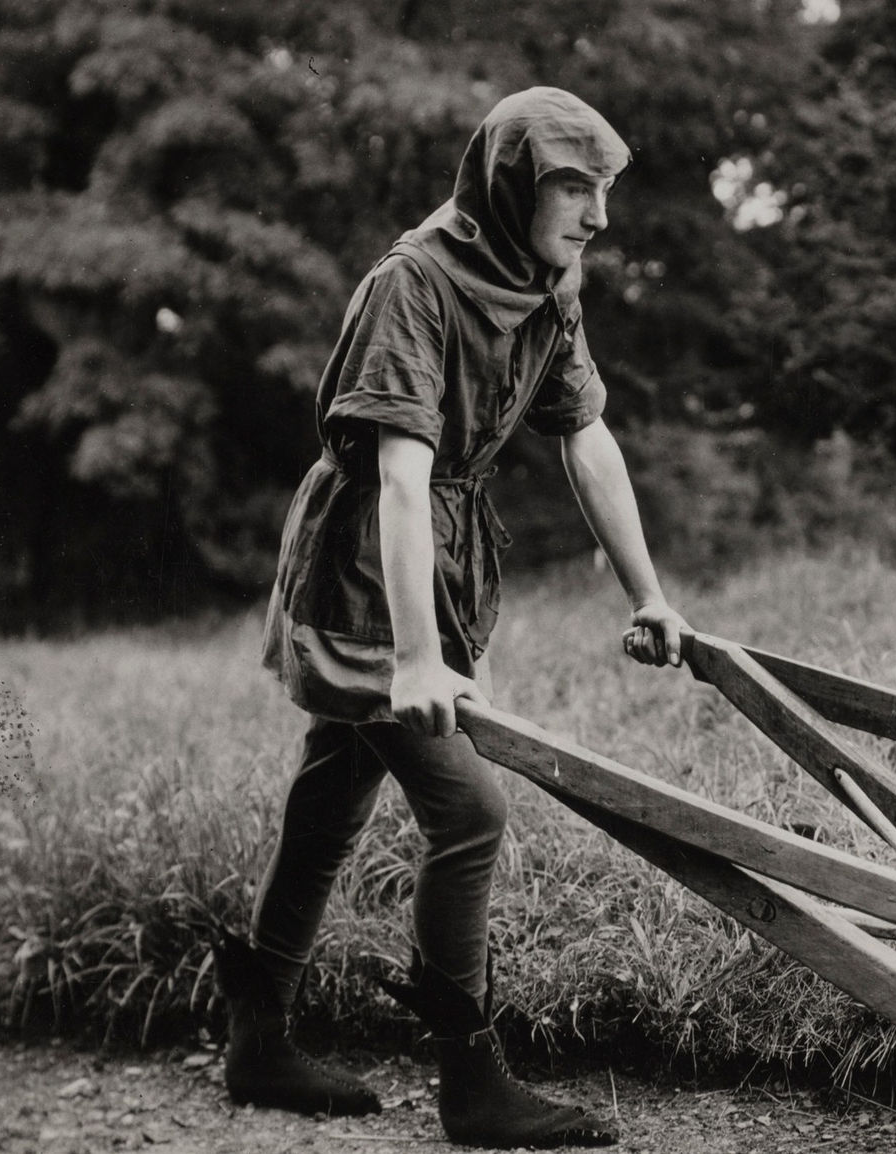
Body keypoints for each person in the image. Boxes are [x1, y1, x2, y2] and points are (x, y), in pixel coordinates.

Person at [214, 87, 688, 1149]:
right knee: (468, 810)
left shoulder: (547, 284)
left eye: (605, 187)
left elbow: (586, 435)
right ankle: (471, 1078)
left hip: (441, 553)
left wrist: (648, 592)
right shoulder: (413, 284)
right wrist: (416, 659)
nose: (598, 214)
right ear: (512, 182)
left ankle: (258, 1030)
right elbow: (396, 474)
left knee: (332, 795)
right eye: (575, 185)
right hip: (368, 575)